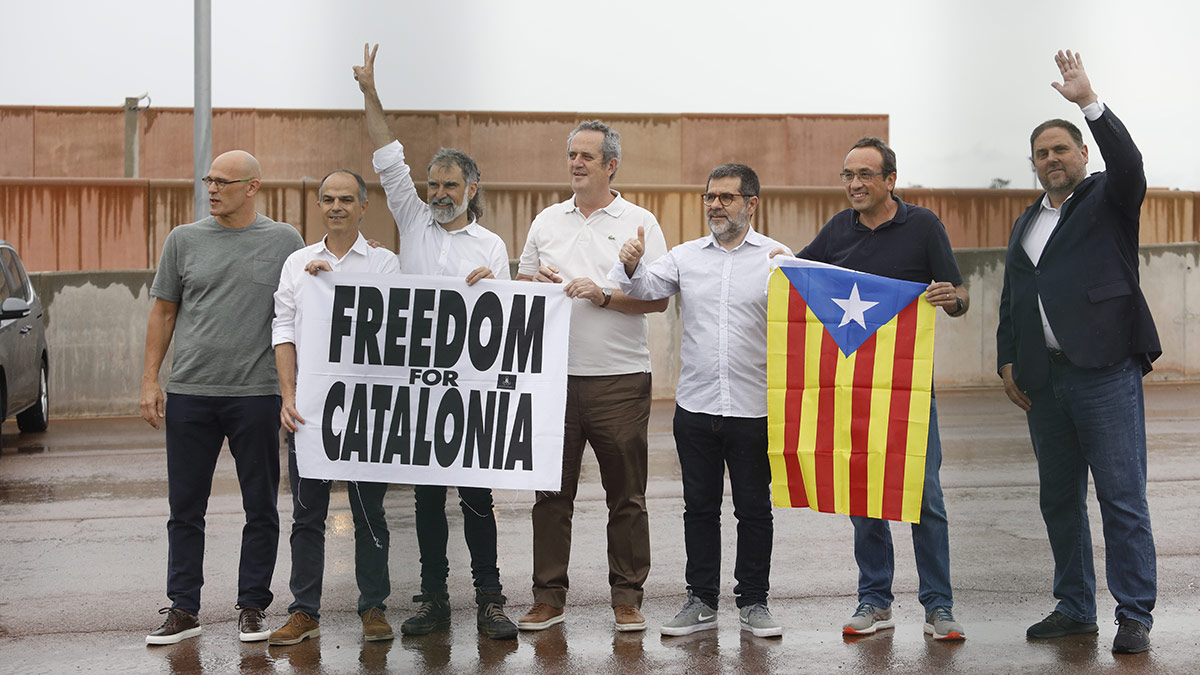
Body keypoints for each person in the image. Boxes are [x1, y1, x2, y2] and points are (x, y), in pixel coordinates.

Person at [775, 136, 970, 641]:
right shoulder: (837, 228)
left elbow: (959, 293)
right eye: (848, 175)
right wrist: (773, 262)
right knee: (862, 495)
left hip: (908, 390)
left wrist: (952, 299)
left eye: (865, 174)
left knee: (924, 497)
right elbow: (801, 278)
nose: (855, 184)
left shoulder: (923, 225)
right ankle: (875, 599)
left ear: (890, 180)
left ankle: (939, 606)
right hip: (852, 389)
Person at [997, 50, 1158, 655]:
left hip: (1105, 372)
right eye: (1041, 153)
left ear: (1083, 153)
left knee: (1121, 498)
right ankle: (1074, 607)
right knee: (1059, 501)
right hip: (1045, 382)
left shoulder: (1110, 198)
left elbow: (1130, 163)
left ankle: (1134, 614)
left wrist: (1089, 102)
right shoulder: (1026, 222)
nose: (1051, 159)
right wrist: (1007, 358)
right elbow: (1014, 296)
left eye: (1061, 149)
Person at [354, 43, 517, 640]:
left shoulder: (492, 246)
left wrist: (493, 289)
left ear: (472, 188)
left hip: (469, 393)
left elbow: (507, 322)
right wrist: (370, 92)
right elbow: (387, 156)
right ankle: (434, 599)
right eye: (433, 184)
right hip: (419, 388)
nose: (439, 193)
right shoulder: (412, 218)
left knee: (476, 499)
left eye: (450, 184)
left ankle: (490, 599)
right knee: (426, 503)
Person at [610, 163, 787, 638]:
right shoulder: (685, 256)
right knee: (700, 510)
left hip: (754, 408)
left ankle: (754, 603)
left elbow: (806, 318)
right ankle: (701, 601)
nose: (716, 205)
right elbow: (643, 289)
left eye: (727, 197)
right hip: (696, 408)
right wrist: (631, 263)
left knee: (754, 511)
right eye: (710, 197)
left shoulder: (776, 258)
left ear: (751, 203)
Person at [140, 150, 305, 645]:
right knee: (185, 508)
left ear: (252, 187)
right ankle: (183, 608)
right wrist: (150, 381)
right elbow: (163, 312)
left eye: (223, 182)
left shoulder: (285, 241)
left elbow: (313, 296)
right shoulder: (183, 240)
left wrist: (363, 256)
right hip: (190, 393)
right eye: (208, 180)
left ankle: (252, 607)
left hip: (256, 395)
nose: (212, 189)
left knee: (261, 507)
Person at [516, 120, 669, 633]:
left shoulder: (640, 222)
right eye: (571, 155)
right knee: (550, 497)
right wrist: (536, 285)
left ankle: (627, 598)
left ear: (611, 165)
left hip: (619, 381)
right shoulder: (546, 221)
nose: (576, 163)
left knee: (626, 497)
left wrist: (603, 295)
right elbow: (521, 290)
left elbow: (657, 299)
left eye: (587, 156)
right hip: (553, 382)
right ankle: (547, 599)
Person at [266, 170, 400, 646]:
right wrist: (288, 396)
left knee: (369, 514)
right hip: (310, 410)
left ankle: (374, 607)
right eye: (328, 199)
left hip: (366, 410)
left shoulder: (384, 263)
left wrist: (337, 285)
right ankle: (304, 611)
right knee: (307, 515)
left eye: (346, 199)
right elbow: (283, 329)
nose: (336, 206)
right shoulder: (297, 263)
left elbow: (390, 326)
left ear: (363, 207)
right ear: (319, 205)